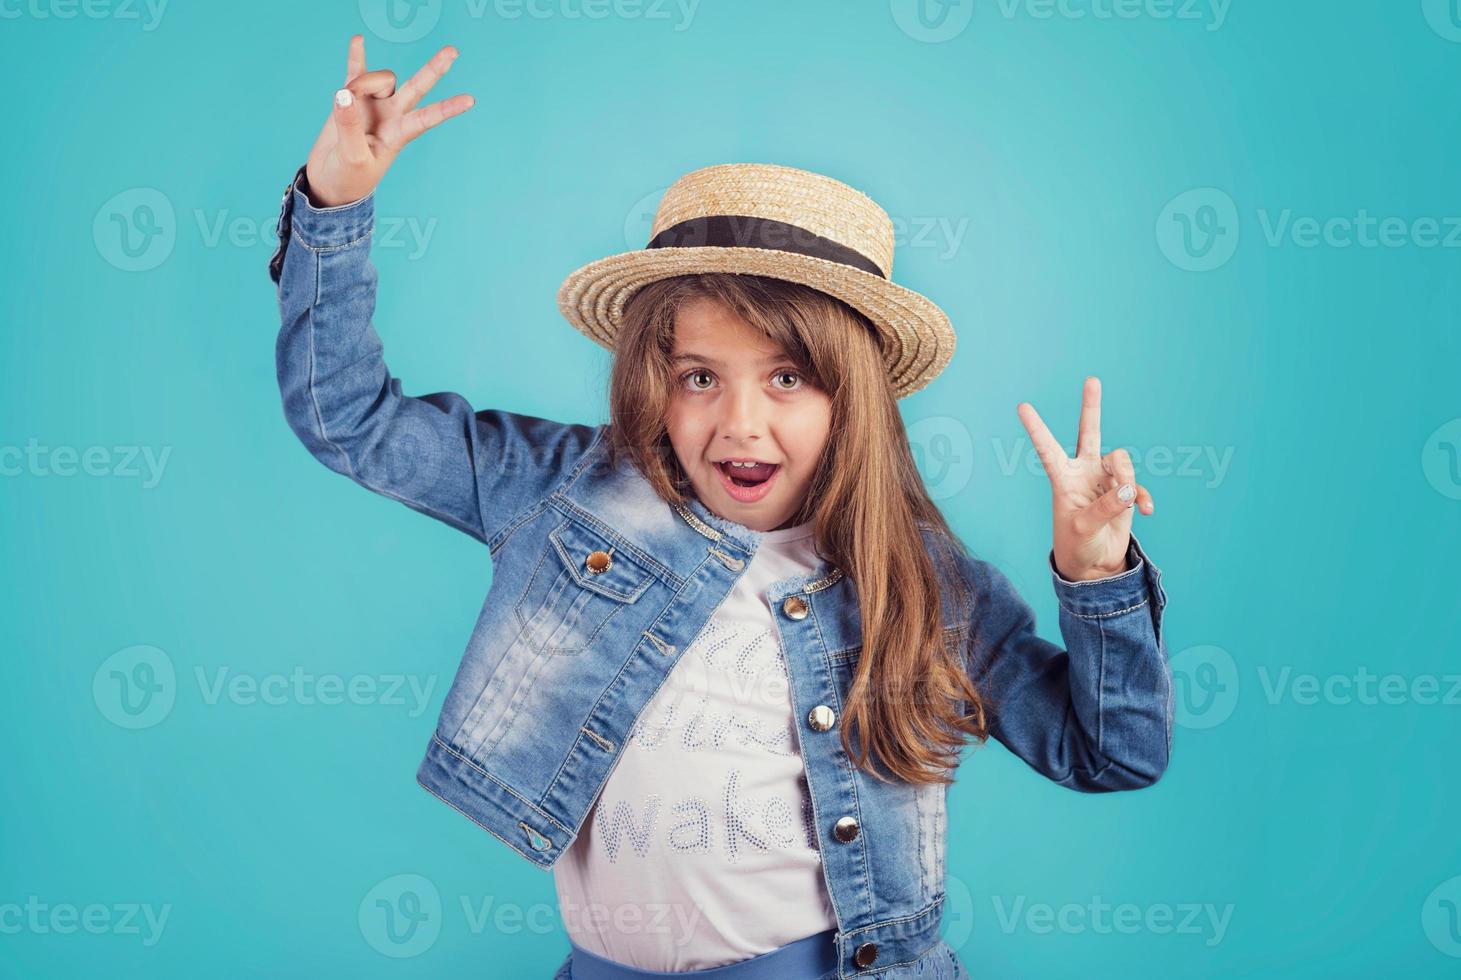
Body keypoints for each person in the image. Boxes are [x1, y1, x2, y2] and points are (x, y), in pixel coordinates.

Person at [270, 35, 1173, 980]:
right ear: (652, 382)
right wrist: (335, 205)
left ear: (849, 398)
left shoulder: (921, 584)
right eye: (699, 376)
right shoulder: (567, 497)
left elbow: (1111, 753)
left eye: (788, 377)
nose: (740, 423)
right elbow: (352, 421)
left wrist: (1096, 574)